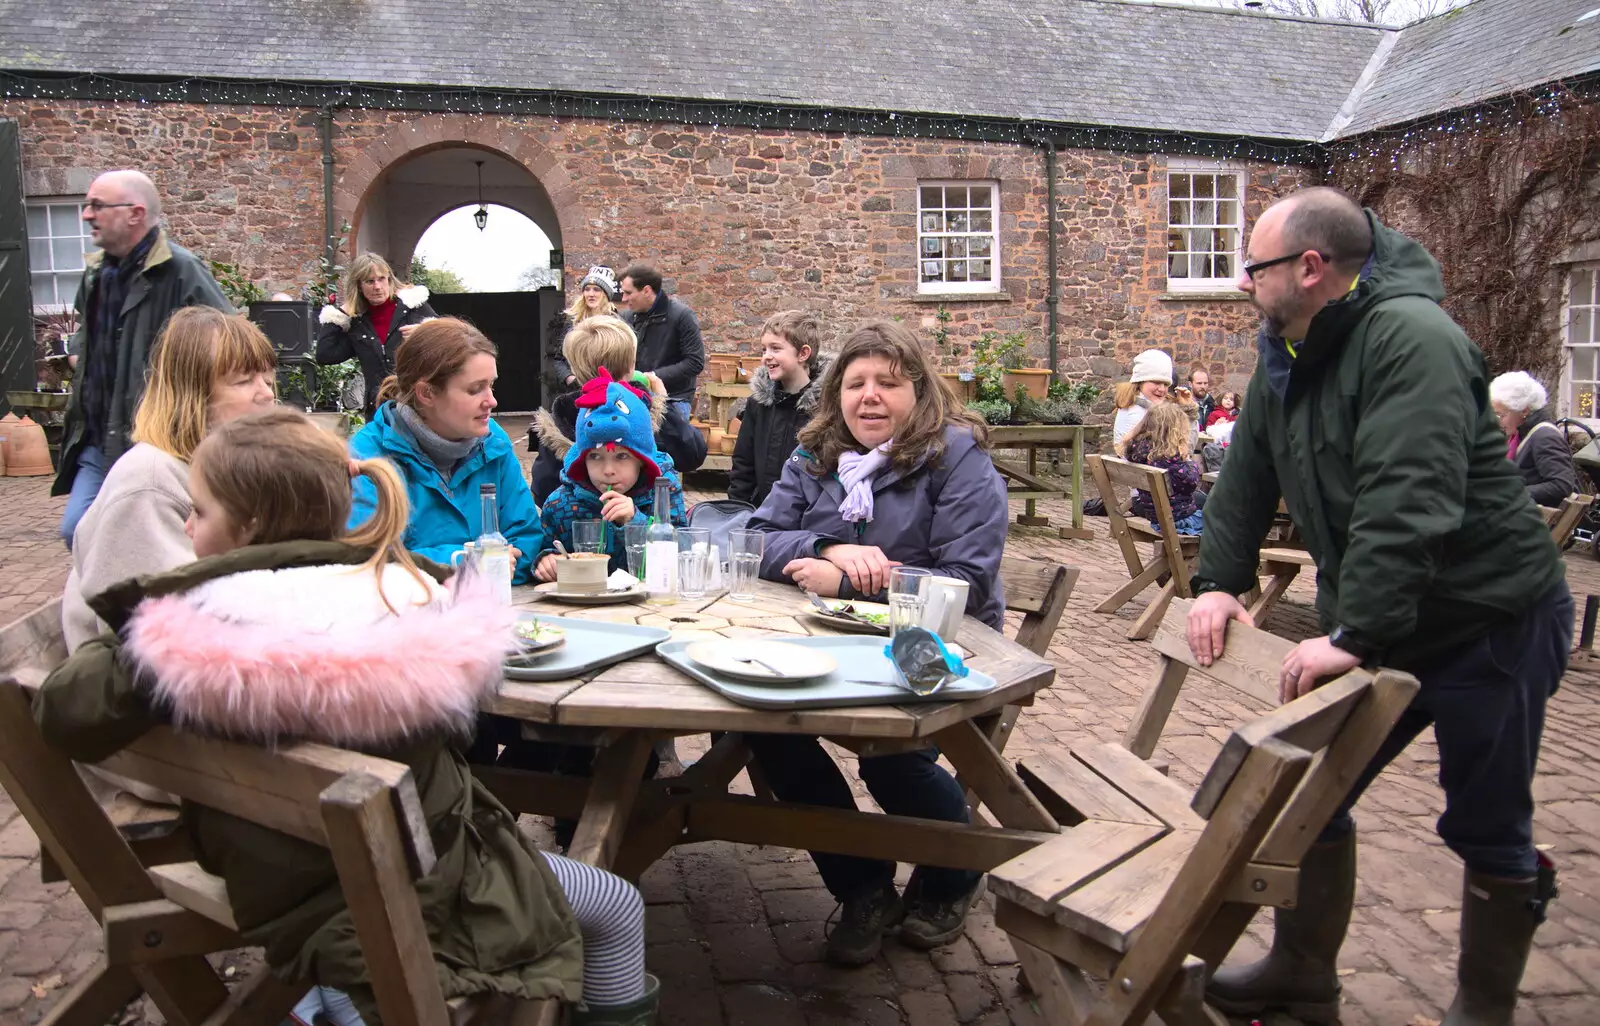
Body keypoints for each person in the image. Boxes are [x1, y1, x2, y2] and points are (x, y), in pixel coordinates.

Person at [34, 408, 657, 1026]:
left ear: (245, 523)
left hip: (280, 888)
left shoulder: (184, 630)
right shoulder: (409, 598)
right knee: (617, 903)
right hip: (428, 888)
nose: (189, 528)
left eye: (197, 511)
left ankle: (318, 999)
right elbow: (460, 740)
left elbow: (65, 710)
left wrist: (140, 622)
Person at [1187, 186, 1570, 1026]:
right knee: (1311, 792)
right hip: (1391, 620)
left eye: (1256, 267)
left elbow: (1410, 498)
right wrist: (1218, 579)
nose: (1244, 281)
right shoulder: (1288, 349)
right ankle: (1300, 974)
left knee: (1487, 820)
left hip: (1490, 620)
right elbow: (1247, 471)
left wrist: (1353, 633)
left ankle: (1483, 1009)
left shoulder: (1414, 340)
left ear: (1312, 267)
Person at [744, 321, 1006, 965]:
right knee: (761, 726)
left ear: (917, 390)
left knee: (889, 753)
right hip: (831, 642)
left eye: (887, 383)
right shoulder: (815, 457)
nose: (869, 397)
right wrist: (827, 546)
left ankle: (951, 880)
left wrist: (857, 583)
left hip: (941, 646)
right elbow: (755, 537)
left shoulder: (957, 458)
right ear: (835, 395)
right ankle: (863, 886)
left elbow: (966, 584)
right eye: (855, 384)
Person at [63, 307, 277, 652]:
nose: (267, 394)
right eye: (243, 381)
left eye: (268, 379)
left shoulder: (226, 468)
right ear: (192, 394)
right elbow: (155, 642)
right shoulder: (149, 483)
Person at [53, 169, 232, 547]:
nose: (87, 215)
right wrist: (78, 356)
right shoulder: (95, 275)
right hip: (98, 438)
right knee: (78, 531)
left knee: (151, 538)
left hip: (155, 440)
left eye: (97, 206)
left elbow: (230, 342)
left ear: (134, 213)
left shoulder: (181, 271)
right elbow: (85, 332)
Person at [347, 318, 543, 581]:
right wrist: (459, 562)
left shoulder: (494, 442)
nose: (492, 401)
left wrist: (487, 566)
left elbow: (527, 539)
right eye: (475, 390)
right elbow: (364, 561)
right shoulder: (367, 457)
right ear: (426, 393)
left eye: (491, 385)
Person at [529, 315, 706, 505]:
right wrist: (663, 402)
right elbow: (693, 453)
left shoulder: (564, 414)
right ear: (631, 365)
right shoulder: (643, 407)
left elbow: (543, 488)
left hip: (580, 526)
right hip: (643, 521)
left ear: (574, 367)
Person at [535, 369, 688, 581]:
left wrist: (636, 521)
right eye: (595, 457)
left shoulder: (662, 492)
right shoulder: (560, 504)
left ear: (642, 460)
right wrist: (545, 560)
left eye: (622, 456)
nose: (608, 470)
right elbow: (543, 547)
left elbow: (685, 554)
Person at [729, 310, 830, 509]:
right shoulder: (757, 405)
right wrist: (738, 512)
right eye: (764, 350)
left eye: (775, 348)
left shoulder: (825, 408)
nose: (766, 357)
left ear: (803, 353)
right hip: (761, 513)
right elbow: (743, 466)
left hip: (807, 519)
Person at [316, 253, 437, 417]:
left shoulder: (413, 307)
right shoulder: (357, 323)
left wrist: (424, 333)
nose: (378, 286)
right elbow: (325, 354)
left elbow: (450, 342)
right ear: (358, 286)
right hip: (378, 411)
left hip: (417, 406)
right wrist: (340, 314)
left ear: (389, 280)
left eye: (382, 279)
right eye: (370, 281)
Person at [617, 264, 706, 419]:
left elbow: (695, 362)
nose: (623, 299)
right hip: (633, 397)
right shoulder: (627, 318)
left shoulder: (682, 316)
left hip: (674, 400)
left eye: (628, 293)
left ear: (646, 290)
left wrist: (654, 376)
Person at [1490, 371, 1577, 507]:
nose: (1497, 421)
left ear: (1524, 411)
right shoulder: (1521, 433)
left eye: (1501, 415)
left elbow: (1562, 485)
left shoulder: (1545, 436)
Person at [1118, 402, 1203, 534]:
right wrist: (1188, 461)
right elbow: (1191, 483)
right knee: (1220, 519)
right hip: (1178, 519)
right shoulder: (1167, 457)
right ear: (1174, 430)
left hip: (1155, 515)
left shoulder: (1138, 450)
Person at [548, 265, 621, 391]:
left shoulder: (615, 322)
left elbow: (623, 360)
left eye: (596, 289)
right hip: (578, 389)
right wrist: (569, 378)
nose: (591, 294)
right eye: (587, 289)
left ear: (605, 294)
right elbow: (559, 359)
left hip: (609, 388)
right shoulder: (573, 321)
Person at [1111, 349, 1173, 447]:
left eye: (1165, 384)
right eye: (1156, 382)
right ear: (1141, 381)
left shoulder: (1138, 404)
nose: (1162, 389)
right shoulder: (1137, 412)